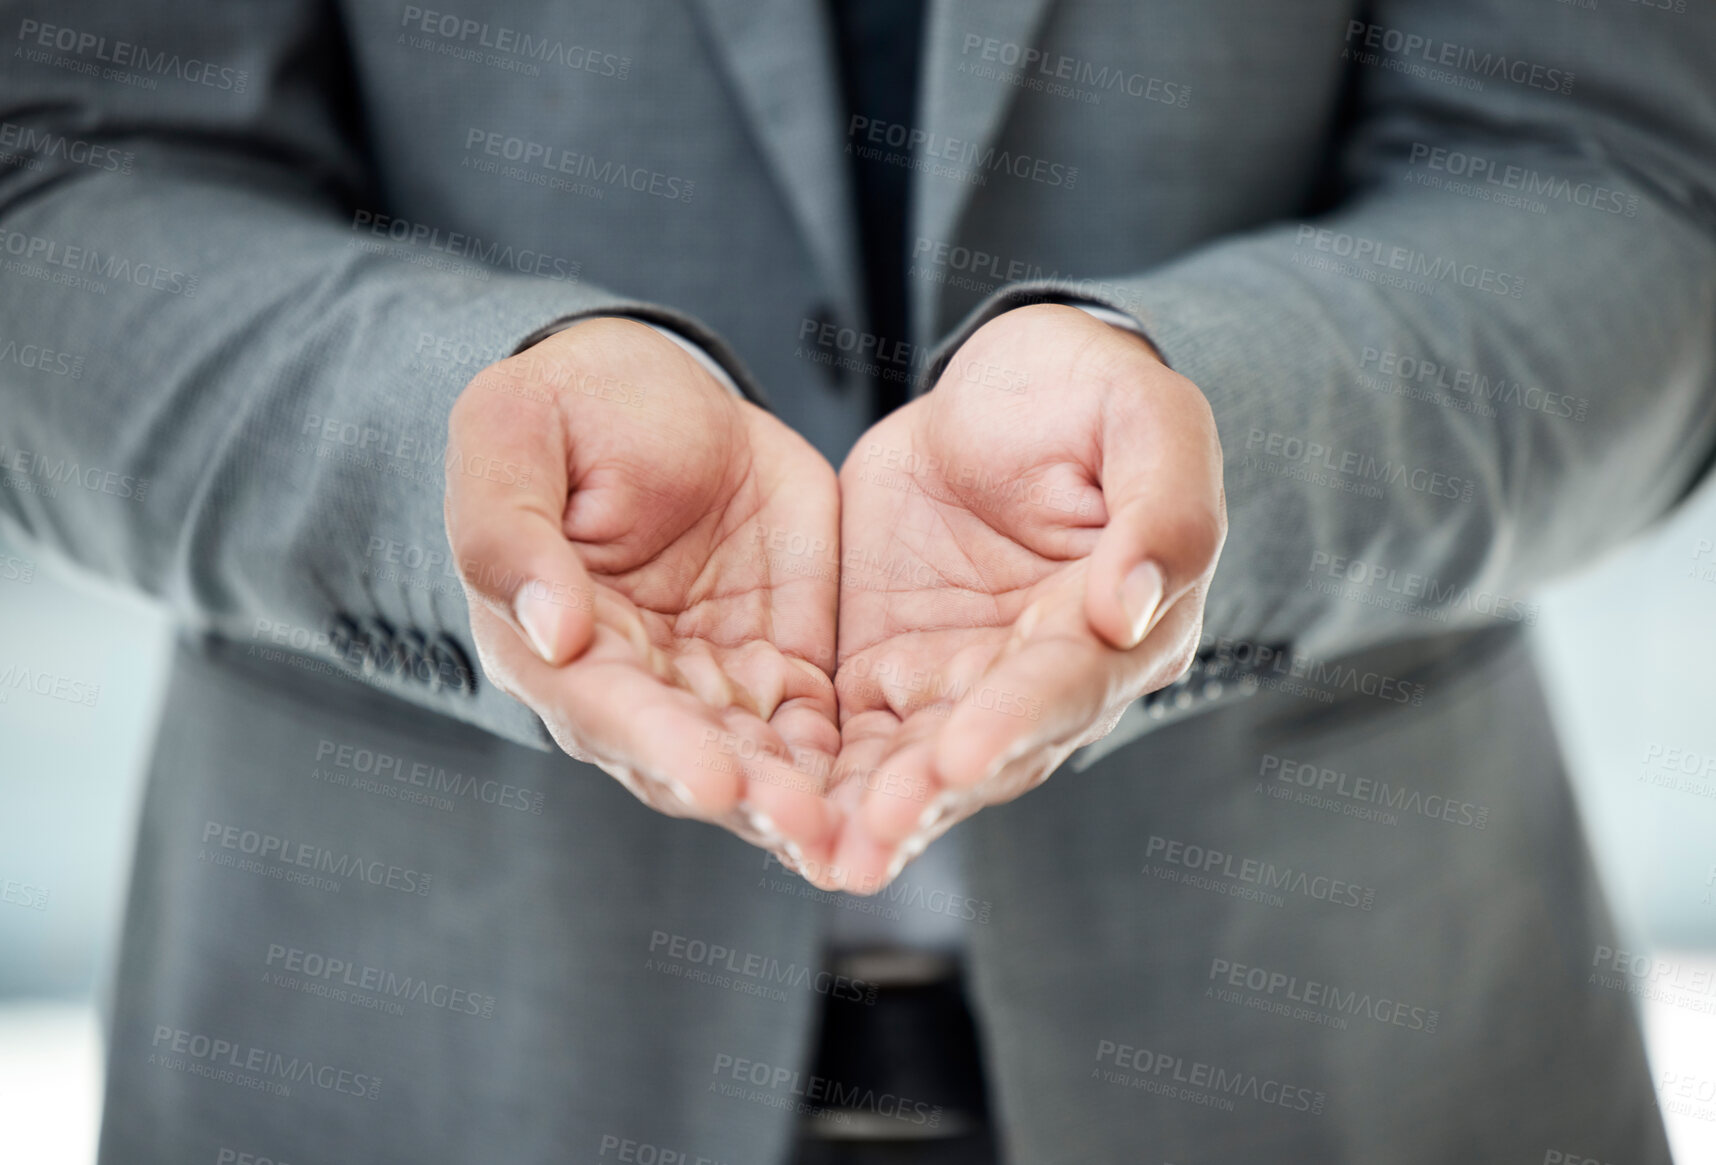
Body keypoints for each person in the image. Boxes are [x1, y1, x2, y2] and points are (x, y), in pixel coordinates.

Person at [3, 0, 1713, 1161]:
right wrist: (446, 434)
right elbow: (60, 184)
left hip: (1349, 1059)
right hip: (406, 1065)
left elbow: (1629, 189)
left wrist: (1211, 415)